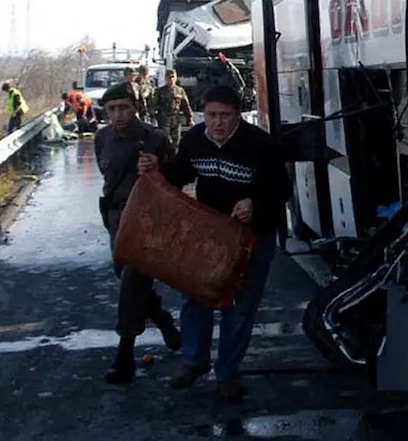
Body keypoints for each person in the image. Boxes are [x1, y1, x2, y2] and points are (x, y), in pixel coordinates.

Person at [138, 85, 289, 403]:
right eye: (211, 115)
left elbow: (282, 190)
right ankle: (194, 361)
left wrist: (254, 203)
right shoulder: (194, 140)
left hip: (253, 236)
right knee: (195, 297)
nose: (217, 123)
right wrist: (156, 169)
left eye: (225, 116)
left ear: (237, 115)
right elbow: (179, 174)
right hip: (209, 235)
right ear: (202, 114)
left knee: (241, 306)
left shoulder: (260, 145)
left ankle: (228, 374)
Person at [94, 81, 183, 384]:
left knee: (132, 283)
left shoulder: (154, 139)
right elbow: (106, 176)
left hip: (147, 220)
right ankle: (162, 319)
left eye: (124, 107)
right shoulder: (102, 138)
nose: (118, 115)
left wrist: (159, 167)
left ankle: (124, 355)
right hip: (117, 218)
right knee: (129, 279)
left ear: (135, 107)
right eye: (112, 109)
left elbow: (178, 180)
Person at [153, 69, 193, 147]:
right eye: (169, 78)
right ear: (165, 79)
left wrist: (190, 118)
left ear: (176, 78)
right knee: (165, 140)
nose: (171, 80)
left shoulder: (180, 90)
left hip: (176, 119)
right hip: (164, 119)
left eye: (173, 77)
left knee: (176, 141)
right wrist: (154, 117)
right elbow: (153, 105)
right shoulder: (160, 91)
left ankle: (174, 157)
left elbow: (185, 105)